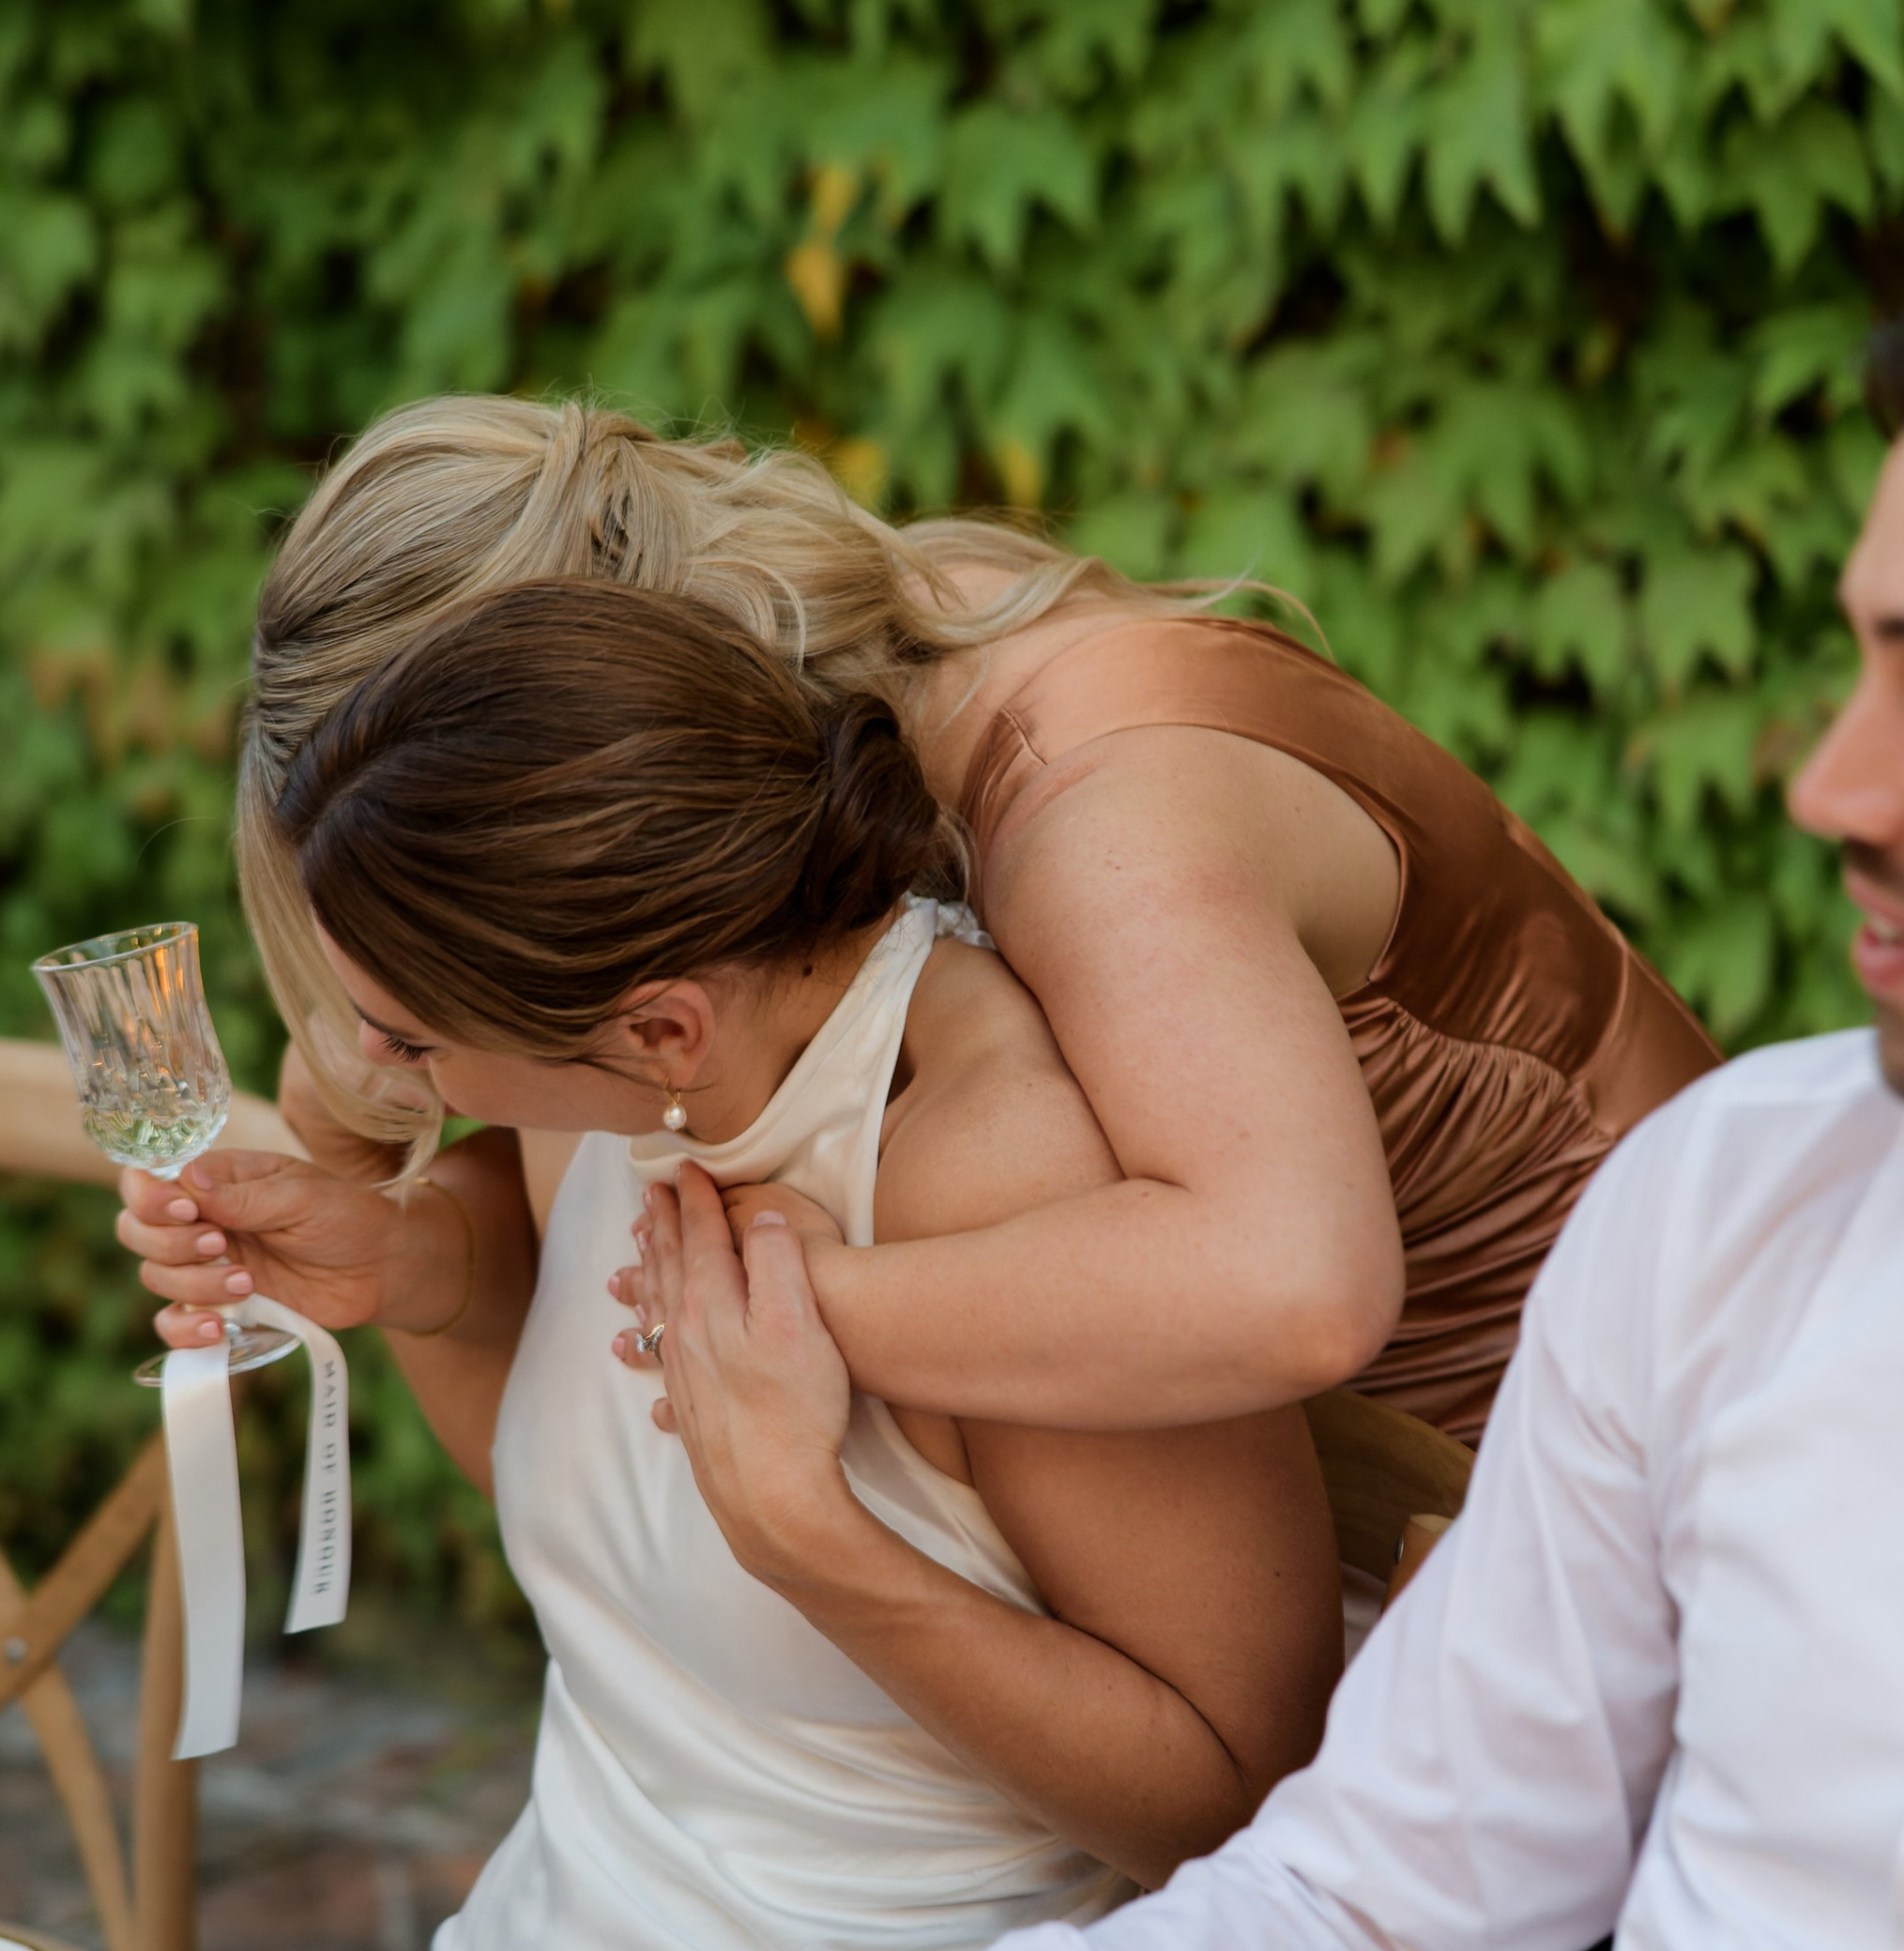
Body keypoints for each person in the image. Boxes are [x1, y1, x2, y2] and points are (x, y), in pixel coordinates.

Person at [141, 359, 1904, 1951]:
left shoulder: (1070, 824)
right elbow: (1346, 1929)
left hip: (1553, 1551)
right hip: (1469, 1778)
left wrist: (815, 1363)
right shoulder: (776, 909)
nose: (1826, 785)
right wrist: (457, 1280)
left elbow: (1290, 1289)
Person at [133, 582, 1335, 1951]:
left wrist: (810, 1540)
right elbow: (609, 1546)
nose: (355, 1061)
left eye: (411, 1037)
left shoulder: (987, 1172)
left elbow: (1240, 1800)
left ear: (659, 1027)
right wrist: (416, 1264)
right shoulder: (625, 1100)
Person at [208, 395, 1716, 1450]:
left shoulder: (1088, 805)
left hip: (1620, 1471)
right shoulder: (870, 646)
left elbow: (1296, 1286)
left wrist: (791, 1313)